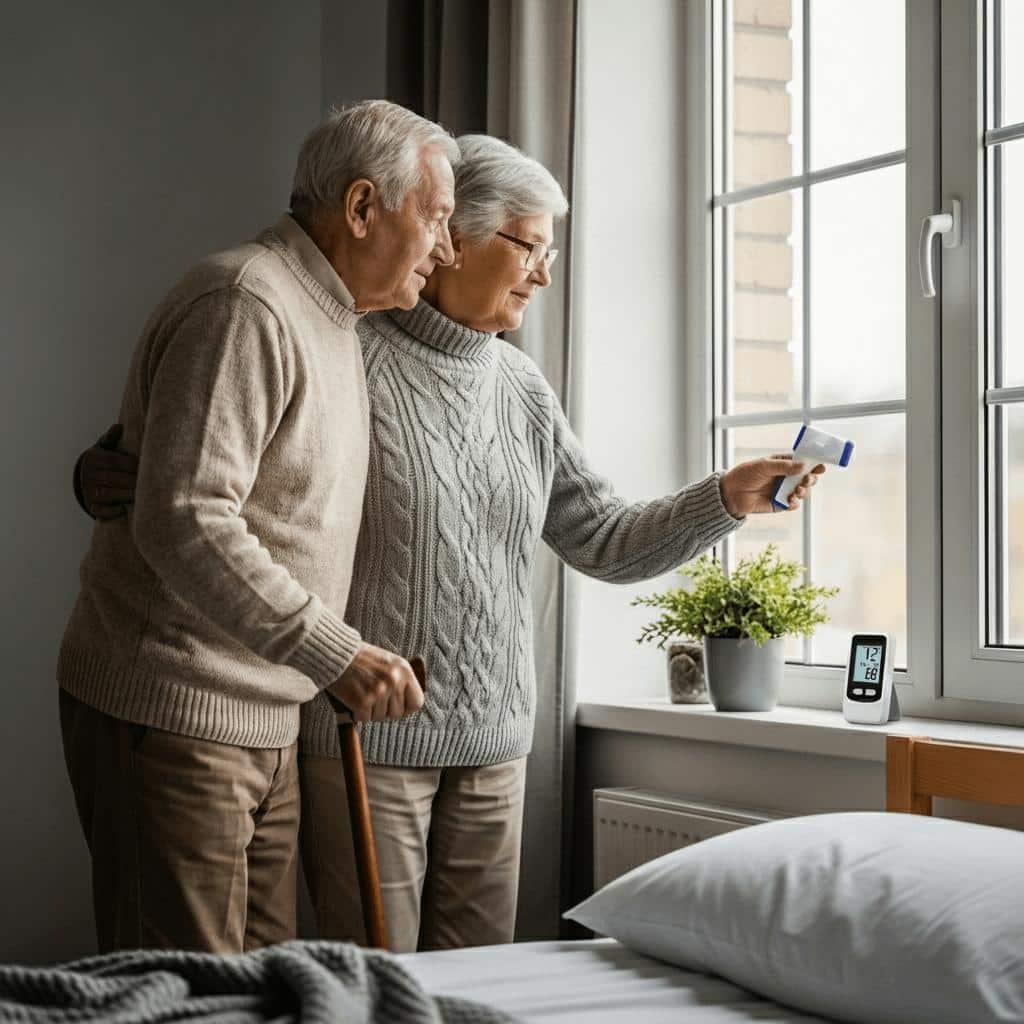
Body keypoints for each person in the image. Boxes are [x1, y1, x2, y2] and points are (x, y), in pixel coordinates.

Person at [75, 133, 822, 954]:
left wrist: (722, 499)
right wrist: (110, 472)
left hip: (495, 741)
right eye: (530, 247)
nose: (544, 274)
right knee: (371, 982)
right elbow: (197, 478)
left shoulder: (521, 388)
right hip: (363, 731)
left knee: (476, 987)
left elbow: (603, 536)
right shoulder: (339, 341)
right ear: (454, 238)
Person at [58, 100, 457, 955]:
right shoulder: (249, 301)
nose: (447, 249)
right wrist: (337, 651)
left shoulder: (334, 319)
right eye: (438, 219)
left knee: (260, 997)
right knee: (186, 1002)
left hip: (260, 721)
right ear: (361, 209)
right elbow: (186, 517)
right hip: (180, 714)